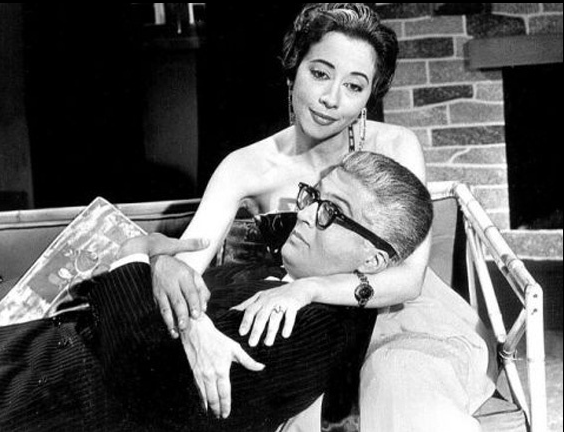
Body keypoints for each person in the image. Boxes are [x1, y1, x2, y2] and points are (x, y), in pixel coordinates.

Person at [151, 4, 496, 431]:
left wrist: (309, 289)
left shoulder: (397, 145)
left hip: (396, 318)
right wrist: (189, 316)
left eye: (354, 85)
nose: (332, 99)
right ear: (293, 68)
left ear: (370, 95)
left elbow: (409, 279)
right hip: (309, 331)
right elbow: (184, 266)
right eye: (320, 74)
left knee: (401, 386)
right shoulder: (246, 166)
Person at [0, 152, 433, 432]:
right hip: (29, 357)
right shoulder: (277, 277)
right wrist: (161, 264)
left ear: (373, 260)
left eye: (331, 213)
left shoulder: (310, 324)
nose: (303, 215)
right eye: (313, 198)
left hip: (40, 397)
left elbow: (149, 382)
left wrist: (133, 254)